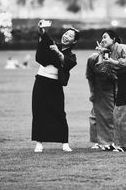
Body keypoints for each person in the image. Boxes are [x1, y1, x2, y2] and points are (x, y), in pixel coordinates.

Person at [31, 20, 80, 153]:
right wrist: (42, 31)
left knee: (59, 113)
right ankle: (39, 143)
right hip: (41, 81)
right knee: (39, 111)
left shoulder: (72, 56)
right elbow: (43, 46)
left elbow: (67, 63)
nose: (66, 36)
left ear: (74, 42)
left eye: (70, 36)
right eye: (66, 34)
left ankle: (64, 142)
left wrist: (58, 53)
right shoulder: (52, 45)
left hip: (55, 85)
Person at [99, 30, 126, 152]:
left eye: (105, 37)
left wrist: (113, 61)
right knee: (118, 113)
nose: (102, 40)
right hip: (121, 83)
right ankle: (118, 143)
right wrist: (102, 55)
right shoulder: (108, 53)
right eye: (101, 38)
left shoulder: (123, 47)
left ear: (113, 39)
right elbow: (106, 72)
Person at [86, 43, 117, 151]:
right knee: (94, 116)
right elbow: (89, 77)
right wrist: (92, 92)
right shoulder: (92, 59)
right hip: (98, 89)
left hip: (111, 90)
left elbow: (107, 74)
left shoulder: (114, 59)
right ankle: (98, 141)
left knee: (109, 116)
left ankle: (111, 141)